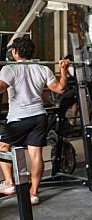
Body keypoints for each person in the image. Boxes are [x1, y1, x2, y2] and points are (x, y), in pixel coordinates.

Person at [0, 37, 70, 205]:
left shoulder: (9, 69)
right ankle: (34, 193)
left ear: (15, 52)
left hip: (19, 118)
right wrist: (64, 70)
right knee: (35, 154)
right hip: (39, 117)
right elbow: (60, 89)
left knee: (3, 147)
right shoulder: (42, 69)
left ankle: (9, 183)